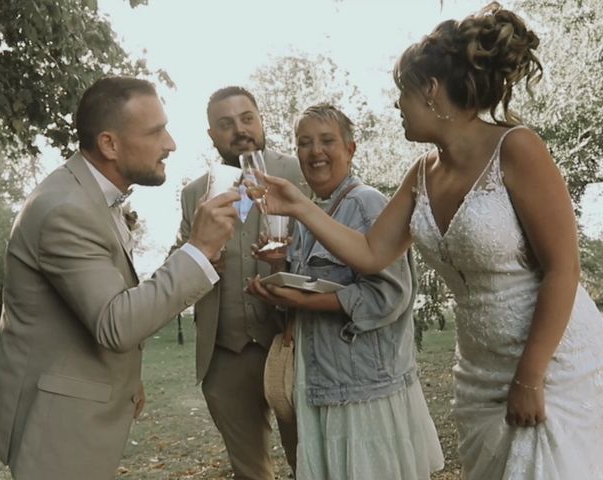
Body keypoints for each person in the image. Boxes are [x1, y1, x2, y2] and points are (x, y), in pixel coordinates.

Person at [255, 4, 603, 479]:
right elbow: (372, 252)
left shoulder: (517, 149)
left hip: (551, 362)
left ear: (431, 91)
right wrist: (298, 205)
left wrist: (530, 375)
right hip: (480, 368)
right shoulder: (421, 175)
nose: (396, 105)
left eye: (402, 93)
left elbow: (564, 269)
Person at [0, 76, 239, 480]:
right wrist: (198, 250)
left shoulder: (92, 194)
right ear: (109, 144)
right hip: (53, 424)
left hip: (76, 408)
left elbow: (104, 296)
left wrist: (125, 380)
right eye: (156, 132)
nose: (170, 143)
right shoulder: (65, 208)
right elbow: (115, 324)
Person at [247, 104, 444, 479]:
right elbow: (301, 289)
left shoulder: (366, 204)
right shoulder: (308, 216)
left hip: (362, 393)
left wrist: (305, 302)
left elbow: (389, 296)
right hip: (321, 386)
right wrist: (276, 271)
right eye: (303, 143)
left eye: (326, 141)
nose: (314, 152)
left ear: (351, 149)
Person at [172, 86, 308, 479]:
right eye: (226, 124)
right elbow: (180, 261)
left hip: (290, 342)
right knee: (250, 472)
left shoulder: (299, 172)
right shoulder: (195, 194)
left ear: (261, 120)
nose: (240, 130)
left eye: (247, 118)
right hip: (225, 353)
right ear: (212, 135)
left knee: (311, 461)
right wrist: (197, 258)